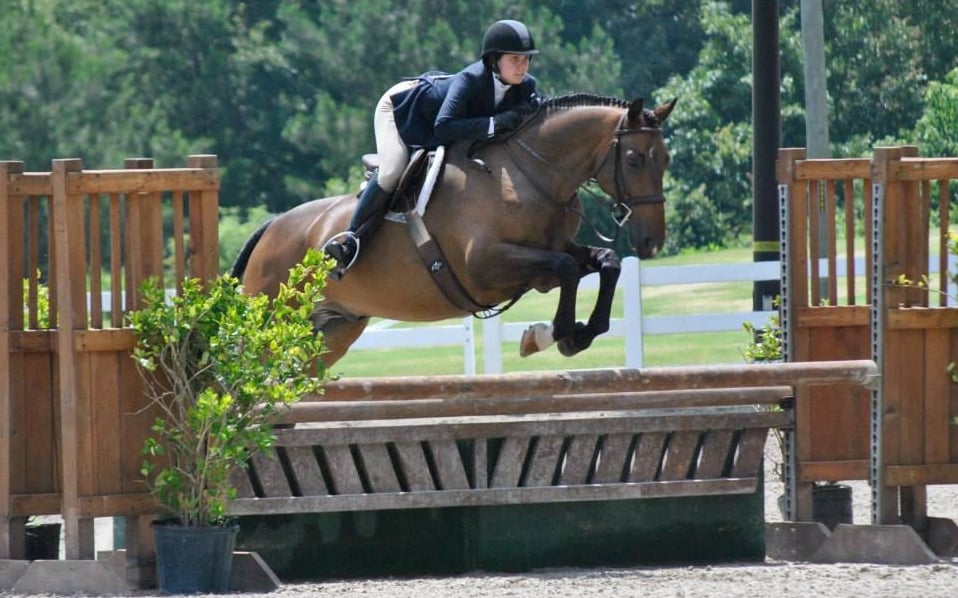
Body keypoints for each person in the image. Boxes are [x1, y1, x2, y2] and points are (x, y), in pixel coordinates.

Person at [323, 19, 541, 280]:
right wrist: (496, 123)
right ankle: (350, 240)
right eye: (515, 59)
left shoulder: (526, 85)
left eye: (526, 59)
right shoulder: (471, 80)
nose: (522, 66)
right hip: (402, 109)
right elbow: (444, 128)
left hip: (441, 118)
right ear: (494, 60)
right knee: (393, 171)